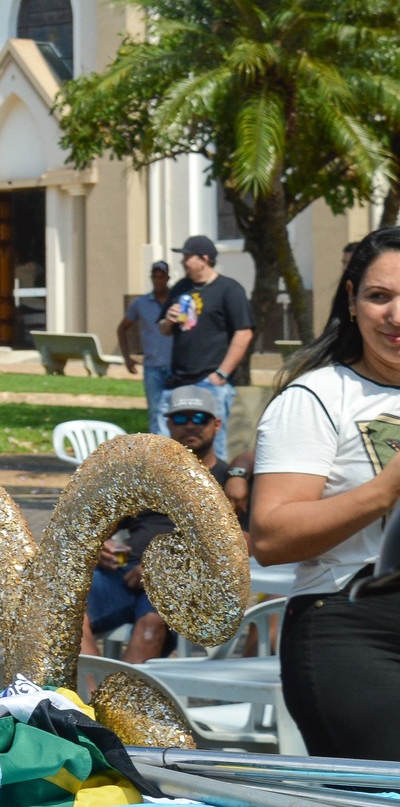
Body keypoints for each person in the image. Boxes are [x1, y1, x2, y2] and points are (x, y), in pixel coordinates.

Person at [251, 227, 400, 761]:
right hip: (355, 630)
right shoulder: (319, 397)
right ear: (353, 303)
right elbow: (270, 536)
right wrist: (384, 491)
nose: (396, 316)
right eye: (380, 297)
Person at [79, 385, 242, 662]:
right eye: (180, 418)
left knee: (152, 624)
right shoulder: (150, 477)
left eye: (199, 418)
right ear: (168, 424)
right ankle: (89, 702)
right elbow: (94, 528)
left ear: (216, 424)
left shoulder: (230, 482)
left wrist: (165, 566)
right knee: (63, 609)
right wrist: (98, 546)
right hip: (123, 571)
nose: (190, 425)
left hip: (179, 582)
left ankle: (121, 704)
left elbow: (243, 544)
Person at [158, 235, 253, 459]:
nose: (182, 262)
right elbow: (163, 329)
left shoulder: (229, 289)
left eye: (187, 257)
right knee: (166, 449)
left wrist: (221, 374)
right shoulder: (181, 287)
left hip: (210, 383)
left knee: (212, 451)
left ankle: (212, 493)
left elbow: (244, 332)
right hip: (177, 381)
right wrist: (168, 320)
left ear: (204, 259)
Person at [120, 260, 176, 433]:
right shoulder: (141, 303)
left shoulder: (178, 302)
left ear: (168, 278)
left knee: (176, 409)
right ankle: (159, 453)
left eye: (162, 277)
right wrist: (127, 357)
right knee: (156, 410)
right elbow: (122, 328)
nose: (158, 281)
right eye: (155, 277)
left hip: (176, 366)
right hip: (152, 367)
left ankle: (176, 450)